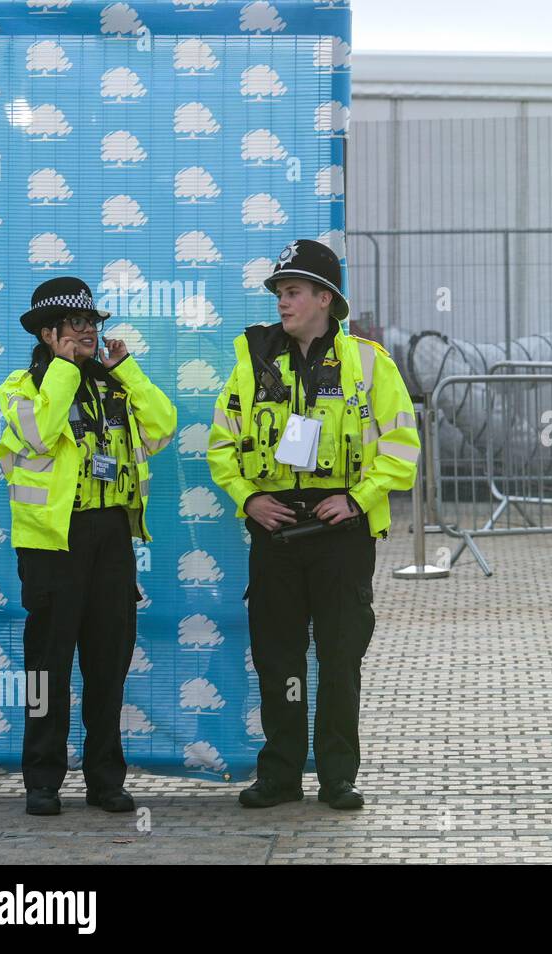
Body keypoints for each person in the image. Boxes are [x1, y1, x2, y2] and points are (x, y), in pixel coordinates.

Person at [208, 239, 419, 810]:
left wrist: (357, 499)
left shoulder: (369, 362)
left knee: (339, 656)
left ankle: (337, 776)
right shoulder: (252, 362)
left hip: (341, 535)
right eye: (279, 292)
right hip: (275, 533)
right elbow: (221, 445)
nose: (283, 301)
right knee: (279, 658)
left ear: (325, 298)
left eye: (294, 291)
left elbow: (402, 448)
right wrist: (250, 500)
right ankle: (280, 775)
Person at [0, 277, 177, 816]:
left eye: (93, 323)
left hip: (111, 539)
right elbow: (40, 434)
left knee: (108, 665)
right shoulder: (21, 388)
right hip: (52, 545)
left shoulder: (113, 385)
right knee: (45, 668)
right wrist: (64, 368)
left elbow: (162, 426)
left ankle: (105, 778)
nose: (89, 333)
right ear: (49, 333)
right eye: (77, 325)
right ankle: (42, 779)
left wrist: (127, 369)